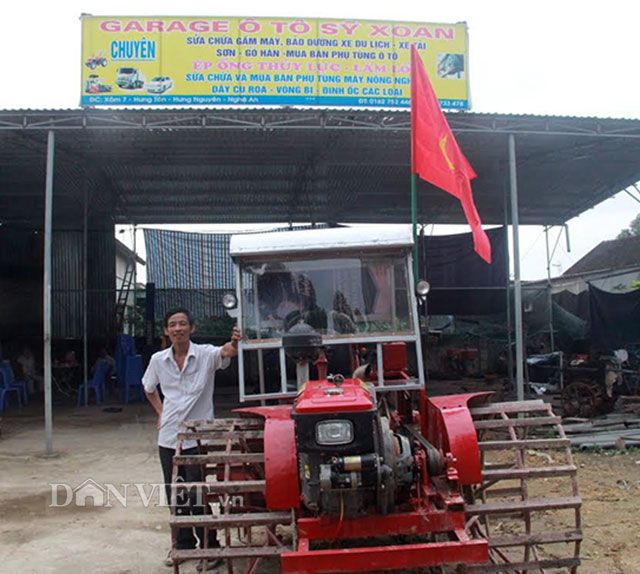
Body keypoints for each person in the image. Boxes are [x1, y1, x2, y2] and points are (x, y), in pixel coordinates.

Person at [142, 307, 240, 569]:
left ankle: (211, 548)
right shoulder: (158, 360)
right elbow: (149, 388)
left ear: (192, 328)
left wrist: (234, 341)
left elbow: (228, 352)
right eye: (172, 324)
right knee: (175, 494)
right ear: (166, 331)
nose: (178, 328)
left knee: (197, 493)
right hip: (168, 437)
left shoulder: (206, 354)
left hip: (196, 439)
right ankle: (183, 545)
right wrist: (161, 413)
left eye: (183, 323)